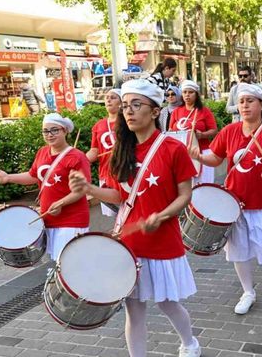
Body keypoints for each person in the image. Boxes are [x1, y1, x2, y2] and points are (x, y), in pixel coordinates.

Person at [69, 79, 201, 357]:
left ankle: (189, 343)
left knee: (168, 304)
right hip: (129, 240)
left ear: (154, 112)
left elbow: (185, 195)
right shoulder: (122, 149)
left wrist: (162, 215)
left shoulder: (172, 148)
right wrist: (90, 189)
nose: (128, 112)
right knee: (134, 309)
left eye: (136, 105)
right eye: (125, 106)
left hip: (163, 241)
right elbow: (119, 196)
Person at [190, 83, 262, 315]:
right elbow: (216, 159)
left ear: (261, 105)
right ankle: (248, 291)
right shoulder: (229, 131)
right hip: (234, 202)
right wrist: (199, 157)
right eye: (241, 101)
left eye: (250, 101)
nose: (245, 105)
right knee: (238, 249)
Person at [0, 113, 90, 261]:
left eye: (54, 130)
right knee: (57, 263)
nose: (49, 135)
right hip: (48, 219)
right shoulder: (42, 152)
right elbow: (33, 176)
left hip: (72, 220)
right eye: (45, 131)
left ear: (65, 131)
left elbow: (81, 189)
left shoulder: (77, 157)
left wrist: (61, 203)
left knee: (67, 264)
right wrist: (8, 177)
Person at [168, 80, 218, 185]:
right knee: (185, 186)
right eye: (185, 92)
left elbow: (214, 131)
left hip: (202, 153)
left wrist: (202, 135)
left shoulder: (204, 111)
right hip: (182, 154)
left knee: (203, 186)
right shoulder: (176, 112)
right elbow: (170, 131)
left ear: (196, 94)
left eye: (190, 92)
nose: (187, 95)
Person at [86, 89, 121, 217]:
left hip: (126, 173)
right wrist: (81, 160)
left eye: (113, 97)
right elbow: (94, 151)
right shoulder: (99, 125)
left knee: (131, 210)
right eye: (107, 98)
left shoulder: (128, 122)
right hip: (106, 174)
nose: (109, 100)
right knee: (114, 215)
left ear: (121, 102)